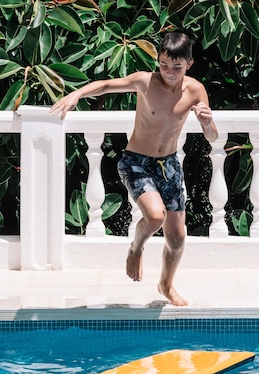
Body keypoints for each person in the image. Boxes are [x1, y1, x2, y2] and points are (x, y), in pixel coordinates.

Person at [50, 31, 218, 306]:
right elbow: (106, 85)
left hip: (170, 166)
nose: (169, 73)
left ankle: (165, 284)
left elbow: (212, 137)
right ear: (158, 62)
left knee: (176, 239)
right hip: (137, 161)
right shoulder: (145, 81)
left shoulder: (196, 90)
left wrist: (208, 122)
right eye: (164, 66)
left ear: (189, 64)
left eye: (177, 67)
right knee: (154, 216)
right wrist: (75, 95)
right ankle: (136, 248)